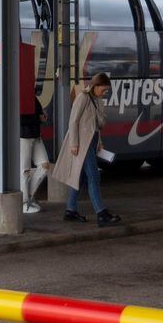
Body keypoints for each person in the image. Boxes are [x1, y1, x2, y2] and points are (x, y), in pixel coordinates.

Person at [51, 72, 119, 227]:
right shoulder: (82, 98)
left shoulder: (97, 100)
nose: (105, 92)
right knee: (94, 176)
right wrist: (74, 144)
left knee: (80, 178)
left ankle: (70, 210)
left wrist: (99, 141)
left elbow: (97, 126)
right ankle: (101, 213)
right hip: (82, 144)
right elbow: (73, 122)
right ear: (95, 86)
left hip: (92, 141)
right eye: (104, 89)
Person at [21, 92, 50, 214]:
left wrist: (42, 116)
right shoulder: (18, 96)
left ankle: (29, 197)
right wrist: (38, 118)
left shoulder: (32, 96)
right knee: (24, 170)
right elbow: (18, 117)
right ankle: (24, 201)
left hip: (35, 135)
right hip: (23, 136)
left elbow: (39, 112)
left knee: (45, 165)